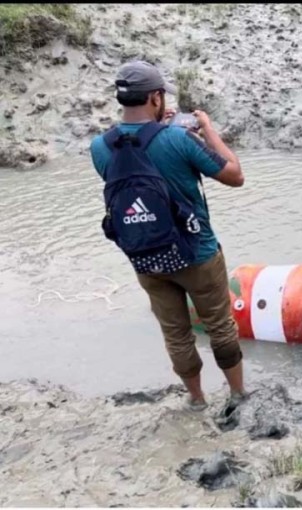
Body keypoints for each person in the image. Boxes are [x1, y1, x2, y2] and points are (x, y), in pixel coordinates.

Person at [90, 60, 246, 411]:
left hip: (145, 256)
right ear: (156, 98)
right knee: (219, 325)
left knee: (175, 334)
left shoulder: (100, 147)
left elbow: (135, 171)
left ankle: (196, 400)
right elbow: (235, 175)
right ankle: (237, 395)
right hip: (197, 253)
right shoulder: (178, 137)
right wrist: (206, 130)